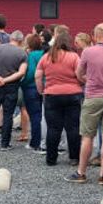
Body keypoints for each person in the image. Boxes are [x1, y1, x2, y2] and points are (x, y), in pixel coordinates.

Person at [70, 23, 103, 184]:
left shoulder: (88, 52)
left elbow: (79, 73)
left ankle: (81, 172)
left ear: (94, 35)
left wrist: (88, 80)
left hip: (93, 96)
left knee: (87, 136)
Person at [36, 32, 84, 167]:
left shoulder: (46, 57)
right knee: (73, 128)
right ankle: (74, 158)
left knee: (53, 128)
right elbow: (80, 75)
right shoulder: (74, 56)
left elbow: (37, 76)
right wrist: (81, 84)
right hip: (72, 95)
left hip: (52, 95)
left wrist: (41, 91)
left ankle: (51, 159)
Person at [0, 32, 27, 150]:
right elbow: (21, 72)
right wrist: (5, 80)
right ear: (21, 41)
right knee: (8, 115)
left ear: (10, 38)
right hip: (11, 87)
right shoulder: (22, 53)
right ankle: (5, 144)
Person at [21, 33, 46, 154]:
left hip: (31, 88)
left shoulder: (31, 56)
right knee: (42, 116)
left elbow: (30, 73)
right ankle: (44, 141)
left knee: (35, 116)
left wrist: (22, 83)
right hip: (45, 88)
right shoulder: (44, 54)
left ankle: (35, 143)